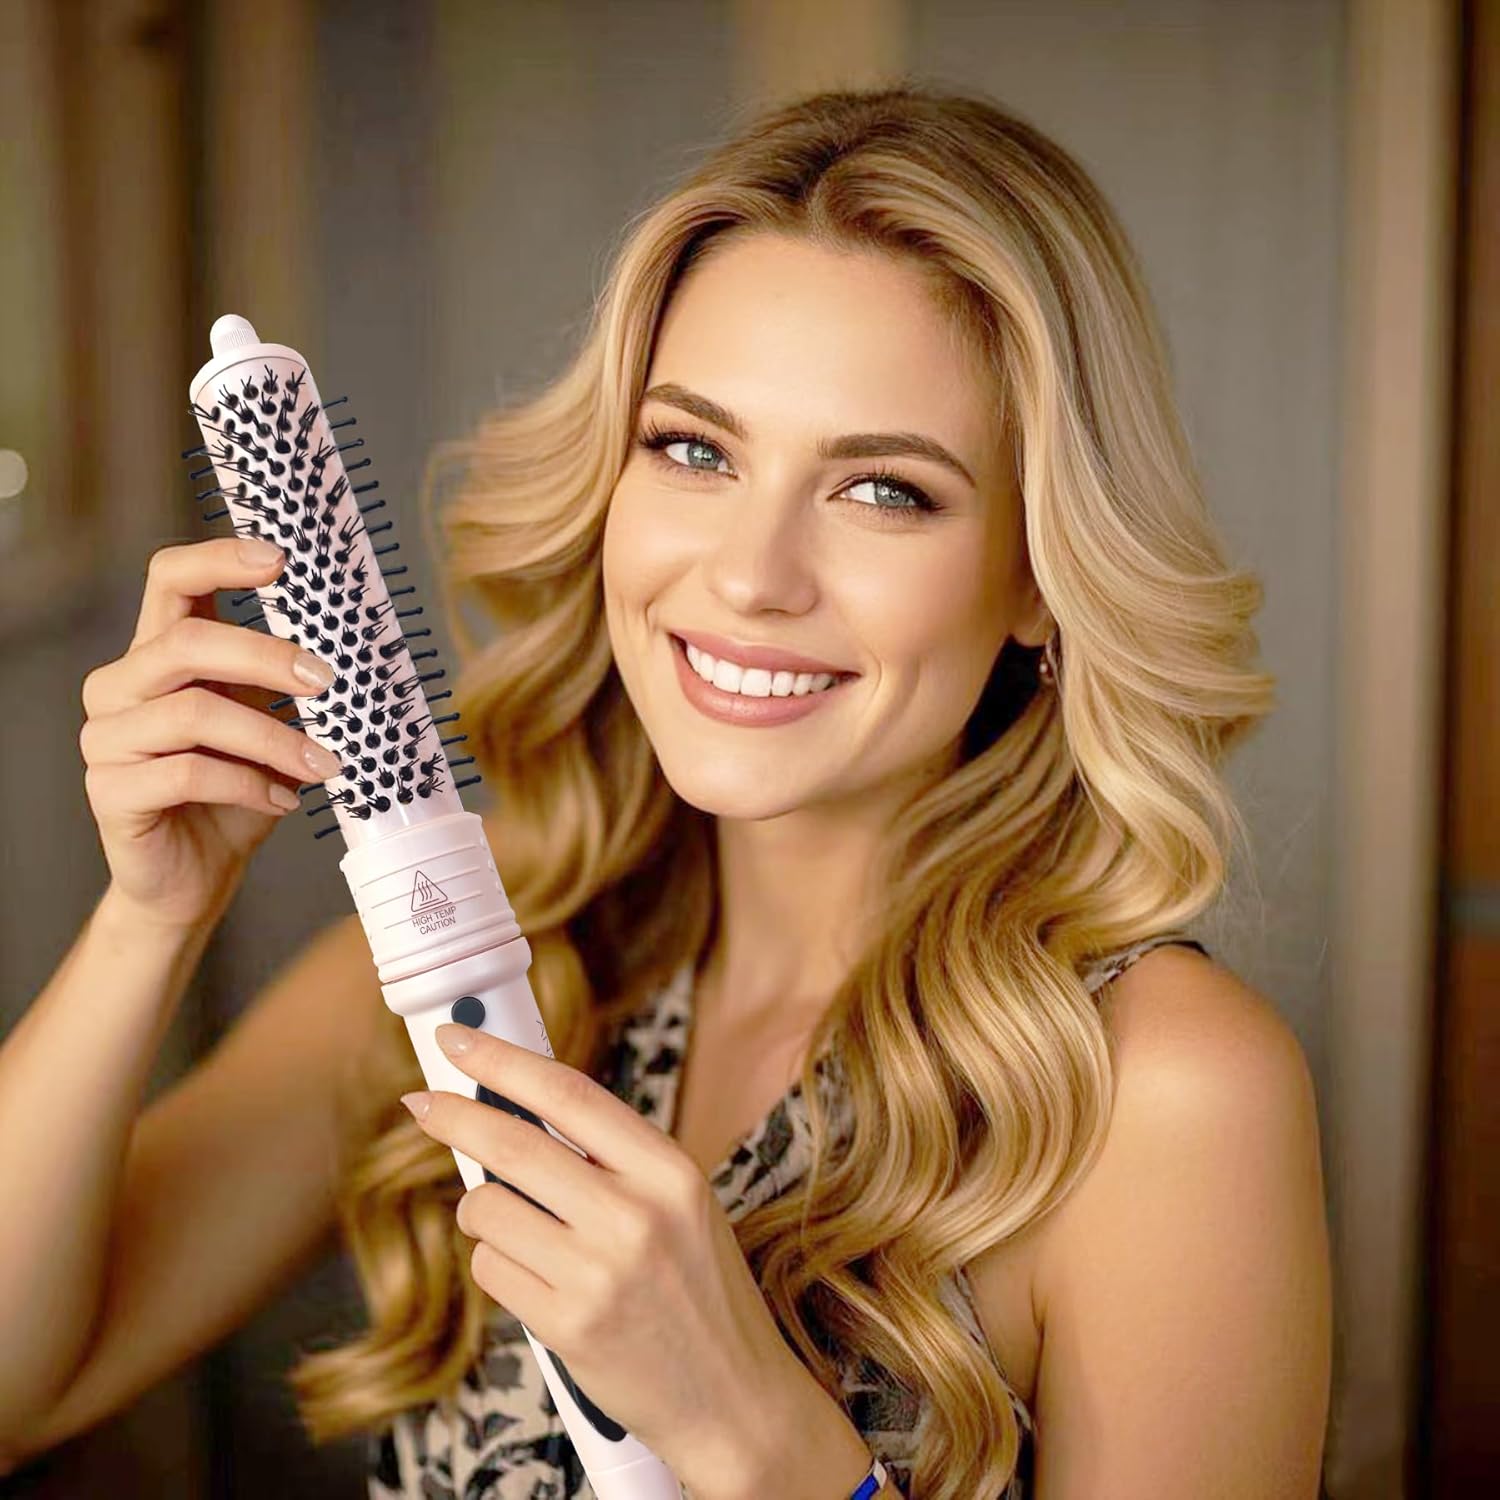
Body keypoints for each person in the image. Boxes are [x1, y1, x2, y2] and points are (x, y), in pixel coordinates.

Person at [0, 84, 1331, 1499]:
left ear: (1037, 579)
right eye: (694, 449)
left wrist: (758, 1438)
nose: (751, 576)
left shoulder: (1158, 1094)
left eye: (885, 490)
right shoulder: (487, 949)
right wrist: (150, 918)